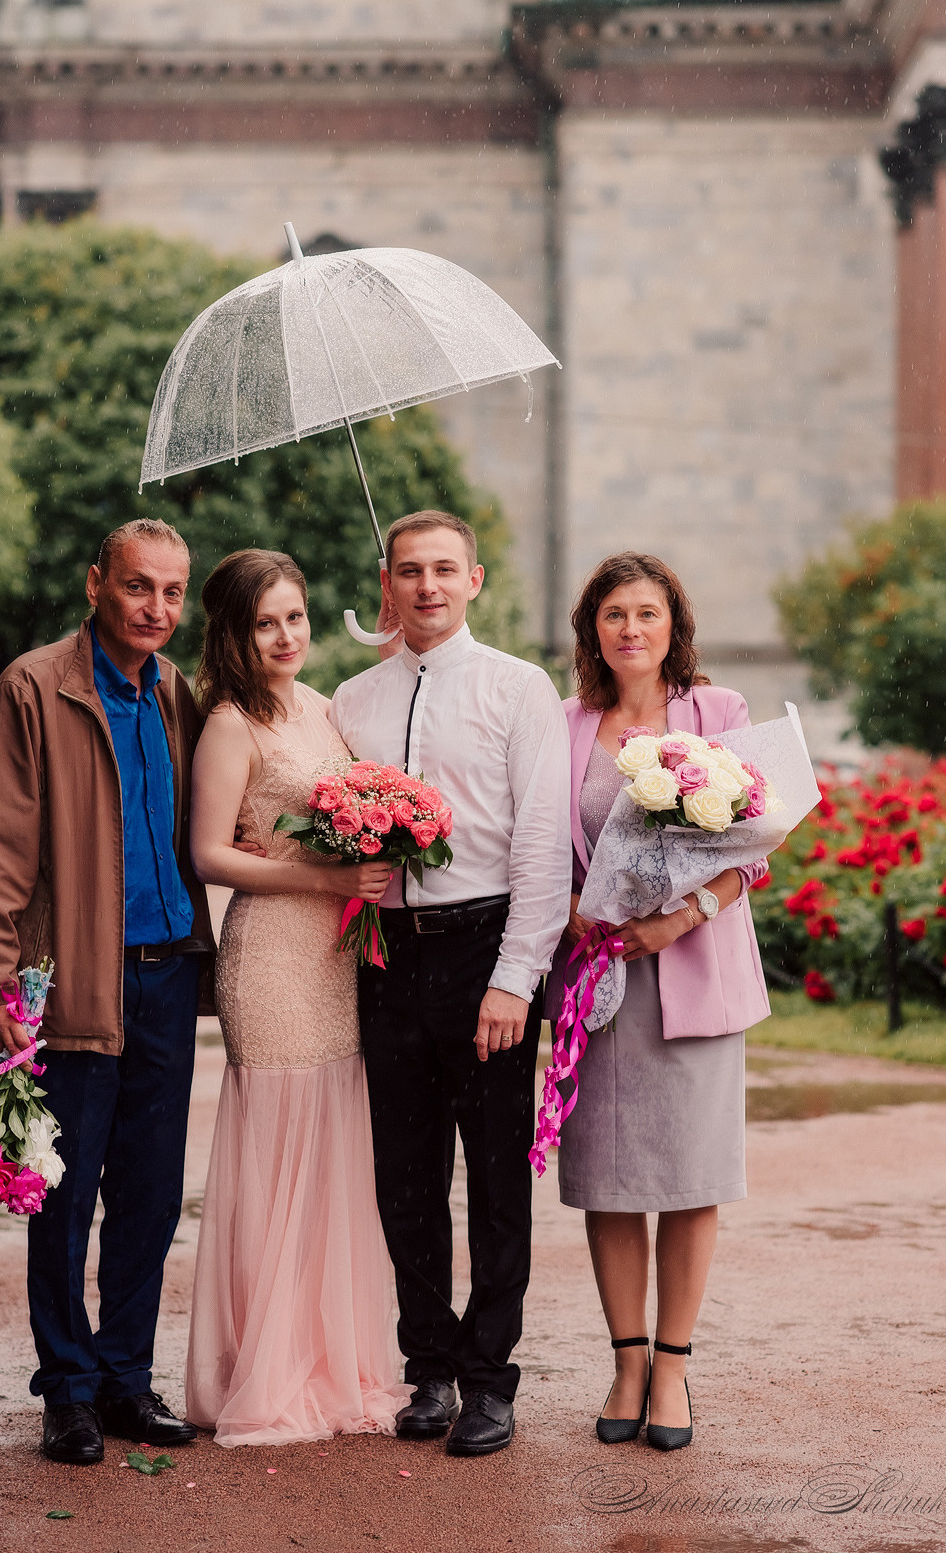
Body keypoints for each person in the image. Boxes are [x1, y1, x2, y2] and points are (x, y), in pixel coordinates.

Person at [0, 519, 217, 1465]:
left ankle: (124, 1382)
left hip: (169, 973)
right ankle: (65, 1391)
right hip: (73, 980)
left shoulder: (176, 690)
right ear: (96, 583)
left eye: (174, 592)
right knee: (62, 1198)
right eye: (141, 587)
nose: (159, 609)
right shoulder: (36, 686)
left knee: (149, 1196)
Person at [331, 510, 570, 1457]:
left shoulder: (520, 689)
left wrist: (515, 981)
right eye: (406, 571)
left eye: (443, 569)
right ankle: (426, 1369)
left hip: (486, 947)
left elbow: (544, 850)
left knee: (496, 1178)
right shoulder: (350, 700)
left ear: (475, 578)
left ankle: (489, 1379)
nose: (425, 586)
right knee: (406, 1175)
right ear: (384, 583)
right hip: (389, 952)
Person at [546, 552, 771, 1452]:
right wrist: (569, 911)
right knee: (611, 1178)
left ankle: (673, 1369)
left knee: (687, 1178)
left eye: (647, 614)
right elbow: (541, 843)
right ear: (591, 631)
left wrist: (683, 917)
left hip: (696, 972)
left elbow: (756, 846)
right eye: (613, 616)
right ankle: (627, 1360)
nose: (630, 630)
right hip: (597, 980)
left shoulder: (719, 715)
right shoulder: (564, 726)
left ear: (674, 624)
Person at [183, 549, 407, 1444]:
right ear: (236, 633)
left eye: (296, 617)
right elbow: (211, 854)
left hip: (339, 954)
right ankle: (267, 1369)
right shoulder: (230, 724)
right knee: (282, 1140)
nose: (285, 636)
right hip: (272, 956)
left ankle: (333, 1359)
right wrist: (323, 878)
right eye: (265, 622)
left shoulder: (326, 707)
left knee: (336, 1146)